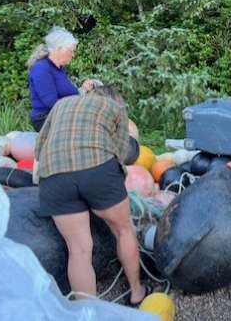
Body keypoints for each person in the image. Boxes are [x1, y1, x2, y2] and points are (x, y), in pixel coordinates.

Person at [34, 86, 147, 305]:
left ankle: (89, 312)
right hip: (97, 170)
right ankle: (136, 291)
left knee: (79, 250)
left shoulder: (61, 104)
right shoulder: (114, 107)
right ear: (115, 100)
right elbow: (125, 153)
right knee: (124, 231)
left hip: (54, 175)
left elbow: (39, 146)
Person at [27, 26, 96, 132]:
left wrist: (83, 90)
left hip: (62, 114)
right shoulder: (41, 68)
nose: (73, 55)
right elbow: (51, 103)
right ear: (58, 49)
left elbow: (68, 96)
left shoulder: (59, 69)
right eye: (71, 51)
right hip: (46, 119)